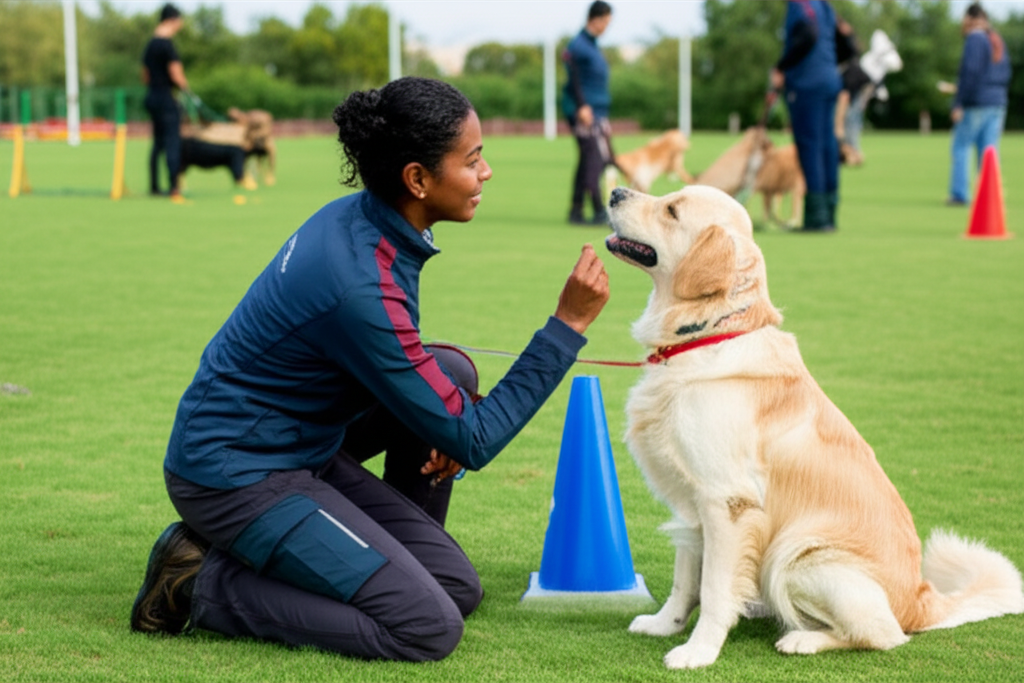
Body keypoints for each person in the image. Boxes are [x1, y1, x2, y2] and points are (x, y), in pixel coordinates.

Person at [129, 76, 611, 662]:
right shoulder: (358, 279)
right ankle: (197, 582)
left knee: (455, 585)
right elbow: (476, 439)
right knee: (426, 627)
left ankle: (362, 560)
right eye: (473, 159)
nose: (485, 172)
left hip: (301, 448)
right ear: (418, 179)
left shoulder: (370, 219)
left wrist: (449, 424)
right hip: (234, 472)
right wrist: (567, 326)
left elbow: (436, 397)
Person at [771, 0, 842, 232]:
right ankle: (829, 213)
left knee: (810, 147)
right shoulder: (824, 5)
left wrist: (782, 66)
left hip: (807, 84)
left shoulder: (800, 3)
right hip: (829, 79)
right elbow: (846, 37)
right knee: (827, 145)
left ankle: (817, 218)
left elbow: (808, 33)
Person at [947, 2, 1011, 207]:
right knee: (990, 152)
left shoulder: (975, 39)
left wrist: (958, 103)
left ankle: (960, 194)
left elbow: (971, 73)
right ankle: (990, 196)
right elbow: (1006, 73)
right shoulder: (996, 40)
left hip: (976, 103)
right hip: (998, 101)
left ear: (969, 19)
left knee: (961, 147)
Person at [563, 1, 614, 226]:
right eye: (605, 22)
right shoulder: (578, 45)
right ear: (596, 18)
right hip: (585, 112)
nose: (607, 27)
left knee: (587, 161)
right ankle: (598, 210)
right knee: (595, 159)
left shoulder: (593, 46)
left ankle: (576, 210)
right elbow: (573, 78)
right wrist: (582, 106)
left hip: (597, 111)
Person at [141, 3, 189, 202]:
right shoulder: (167, 45)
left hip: (152, 96)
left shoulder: (150, 45)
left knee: (158, 143)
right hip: (166, 98)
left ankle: (153, 187)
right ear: (173, 20)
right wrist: (185, 88)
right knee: (172, 142)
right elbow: (176, 73)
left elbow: (144, 75)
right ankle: (174, 188)